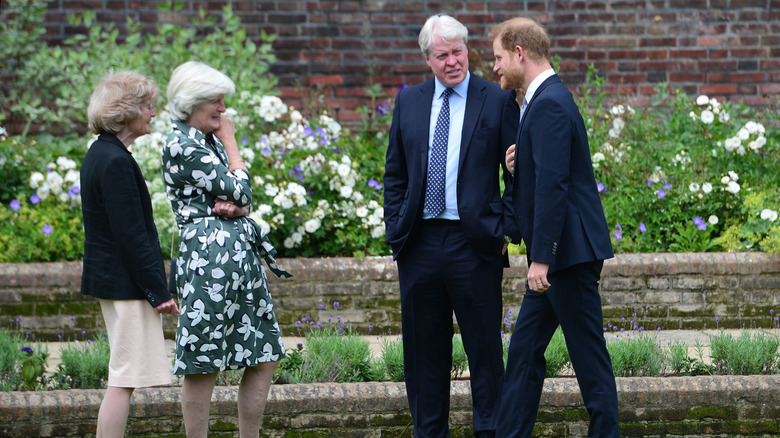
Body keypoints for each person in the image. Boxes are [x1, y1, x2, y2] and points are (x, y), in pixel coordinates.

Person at [383, 14, 520, 438]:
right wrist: (396, 231)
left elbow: (518, 172)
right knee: (425, 353)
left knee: (484, 351)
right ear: (428, 59)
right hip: (419, 243)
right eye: (442, 55)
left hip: (474, 243)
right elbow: (395, 175)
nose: (452, 62)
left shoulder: (495, 100)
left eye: (458, 52)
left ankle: (490, 432)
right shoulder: (409, 102)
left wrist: (504, 230)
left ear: (467, 50)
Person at [489, 17, 620, 437]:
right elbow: (546, 172)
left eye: (498, 57)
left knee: (588, 358)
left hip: (566, 257)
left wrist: (540, 258)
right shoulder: (541, 101)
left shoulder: (548, 104)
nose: (495, 68)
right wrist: (517, 164)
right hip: (561, 256)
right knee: (525, 352)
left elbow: (554, 187)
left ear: (519, 53)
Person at [162, 61, 291, 438]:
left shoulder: (205, 141)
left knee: (264, 354)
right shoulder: (181, 144)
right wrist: (233, 148)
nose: (223, 109)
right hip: (207, 264)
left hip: (239, 261)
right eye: (215, 101)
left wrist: (240, 205)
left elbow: (243, 200)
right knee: (204, 361)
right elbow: (242, 189)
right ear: (192, 102)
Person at [80, 71, 180, 438]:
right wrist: (159, 291)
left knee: (124, 377)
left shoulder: (101, 153)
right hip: (126, 284)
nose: (153, 111)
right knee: (123, 379)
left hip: (117, 281)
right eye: (147, 105)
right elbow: (131, 236)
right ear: (126, 111)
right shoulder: (115, 160)